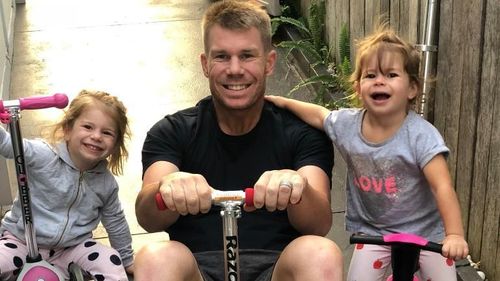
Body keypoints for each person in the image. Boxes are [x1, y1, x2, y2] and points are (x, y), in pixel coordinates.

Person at [133, 1, 343, 281]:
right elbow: (147, 217)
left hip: (278, 267)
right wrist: (167, 187)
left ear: (268, 63)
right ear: (205, 64)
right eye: (221, 57)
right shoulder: (172, 130)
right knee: (156, 256)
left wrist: (298, 187)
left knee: (320, 252)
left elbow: (319, 223)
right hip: (196, 268)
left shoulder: (302, 133)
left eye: (247, 56)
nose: (235, 69)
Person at [266, 26, 469, 280]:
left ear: (412, 89)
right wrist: (283, 102)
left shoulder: (421, 136)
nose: (379, 81)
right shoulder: (348, 126)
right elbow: (320, 114)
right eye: (370, 75)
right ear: (359, 87)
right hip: (374, 232)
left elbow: (442, 187)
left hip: (425, 231)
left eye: (391, 74)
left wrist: (454, 235)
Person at [0, 90, 134, 280]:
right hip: (21, 241)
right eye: (88, 127)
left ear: (115, 144)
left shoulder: (106, 183)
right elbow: (8, 145)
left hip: (73, 248)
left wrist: (127, 260)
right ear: (68, 129)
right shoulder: (43, 155)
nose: (96, 136)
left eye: (107, 132)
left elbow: (115, 222)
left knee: (110, 260)